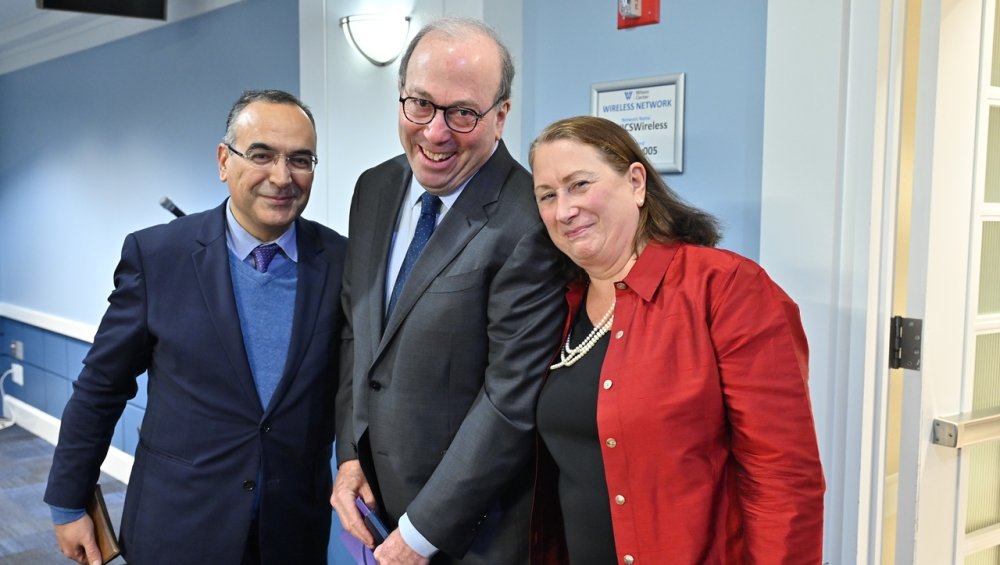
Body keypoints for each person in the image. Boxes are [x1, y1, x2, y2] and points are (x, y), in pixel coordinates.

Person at [44, 89, 347, 565]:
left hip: (291, 529)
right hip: (178, 524)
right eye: (262, 155)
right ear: (224, 161)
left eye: (301, 159)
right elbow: (102, 386)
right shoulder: (157, 256)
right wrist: (68, 501)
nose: (282, 177)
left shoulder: (343, 263)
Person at [526, 115, 826, 564]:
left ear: (635, 182)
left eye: (579, 184)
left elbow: (783, 478)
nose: (563, 210)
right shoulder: (559, 306)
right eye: (547, 195)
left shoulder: (726, 287)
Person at [331, 17, 566, 565]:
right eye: (420, 105)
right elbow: (357, 335)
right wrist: (349, 455)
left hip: (471, 533)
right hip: (374, 507)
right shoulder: (373, 188)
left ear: (501, 115)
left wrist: (420, 534)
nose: (436, 133)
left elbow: (510, 400)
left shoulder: (528, 217)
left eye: (463, 113)